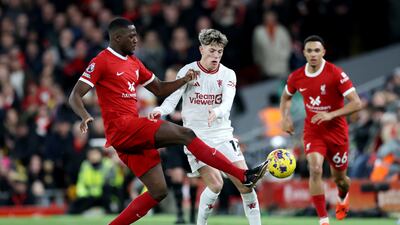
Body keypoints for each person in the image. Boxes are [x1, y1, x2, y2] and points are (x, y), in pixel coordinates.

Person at [68, 18, 268, 225]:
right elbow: (75, 95)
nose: (137, 40)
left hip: (131, 134)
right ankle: (242, 175)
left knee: (158, 191)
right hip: (122, 127)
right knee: (186, 134)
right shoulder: (101, 61)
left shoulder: (134, 62)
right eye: (132, 36)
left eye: (137, 35)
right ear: (117, 38)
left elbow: (160, 89)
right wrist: (84, 116)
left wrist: (184, 80)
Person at [149, 29, 261, 225]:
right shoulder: (188, 72)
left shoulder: (228, 74)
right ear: (201, 49)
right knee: (216, 185)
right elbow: (173, 98)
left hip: (223, 135)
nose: (216, 56)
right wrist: (160, 110)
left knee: (246, 185)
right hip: (195, 138)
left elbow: (227, 103)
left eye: (219, 51)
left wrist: (216, 112)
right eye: (211, 51)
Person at [279, 35, 362, 225]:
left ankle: (343, 196)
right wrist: (285, 117)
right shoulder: (297, 76)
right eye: (309, 51)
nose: (313, 54)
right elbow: (285, 98)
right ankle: (323, 219)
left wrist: (331, 114)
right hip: (314, 131)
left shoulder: (335, 73)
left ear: (323, 52)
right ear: (304, 53)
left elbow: (357, 103)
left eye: (317, 50)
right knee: (314, 168)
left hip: (337, 132)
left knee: (340, 179)